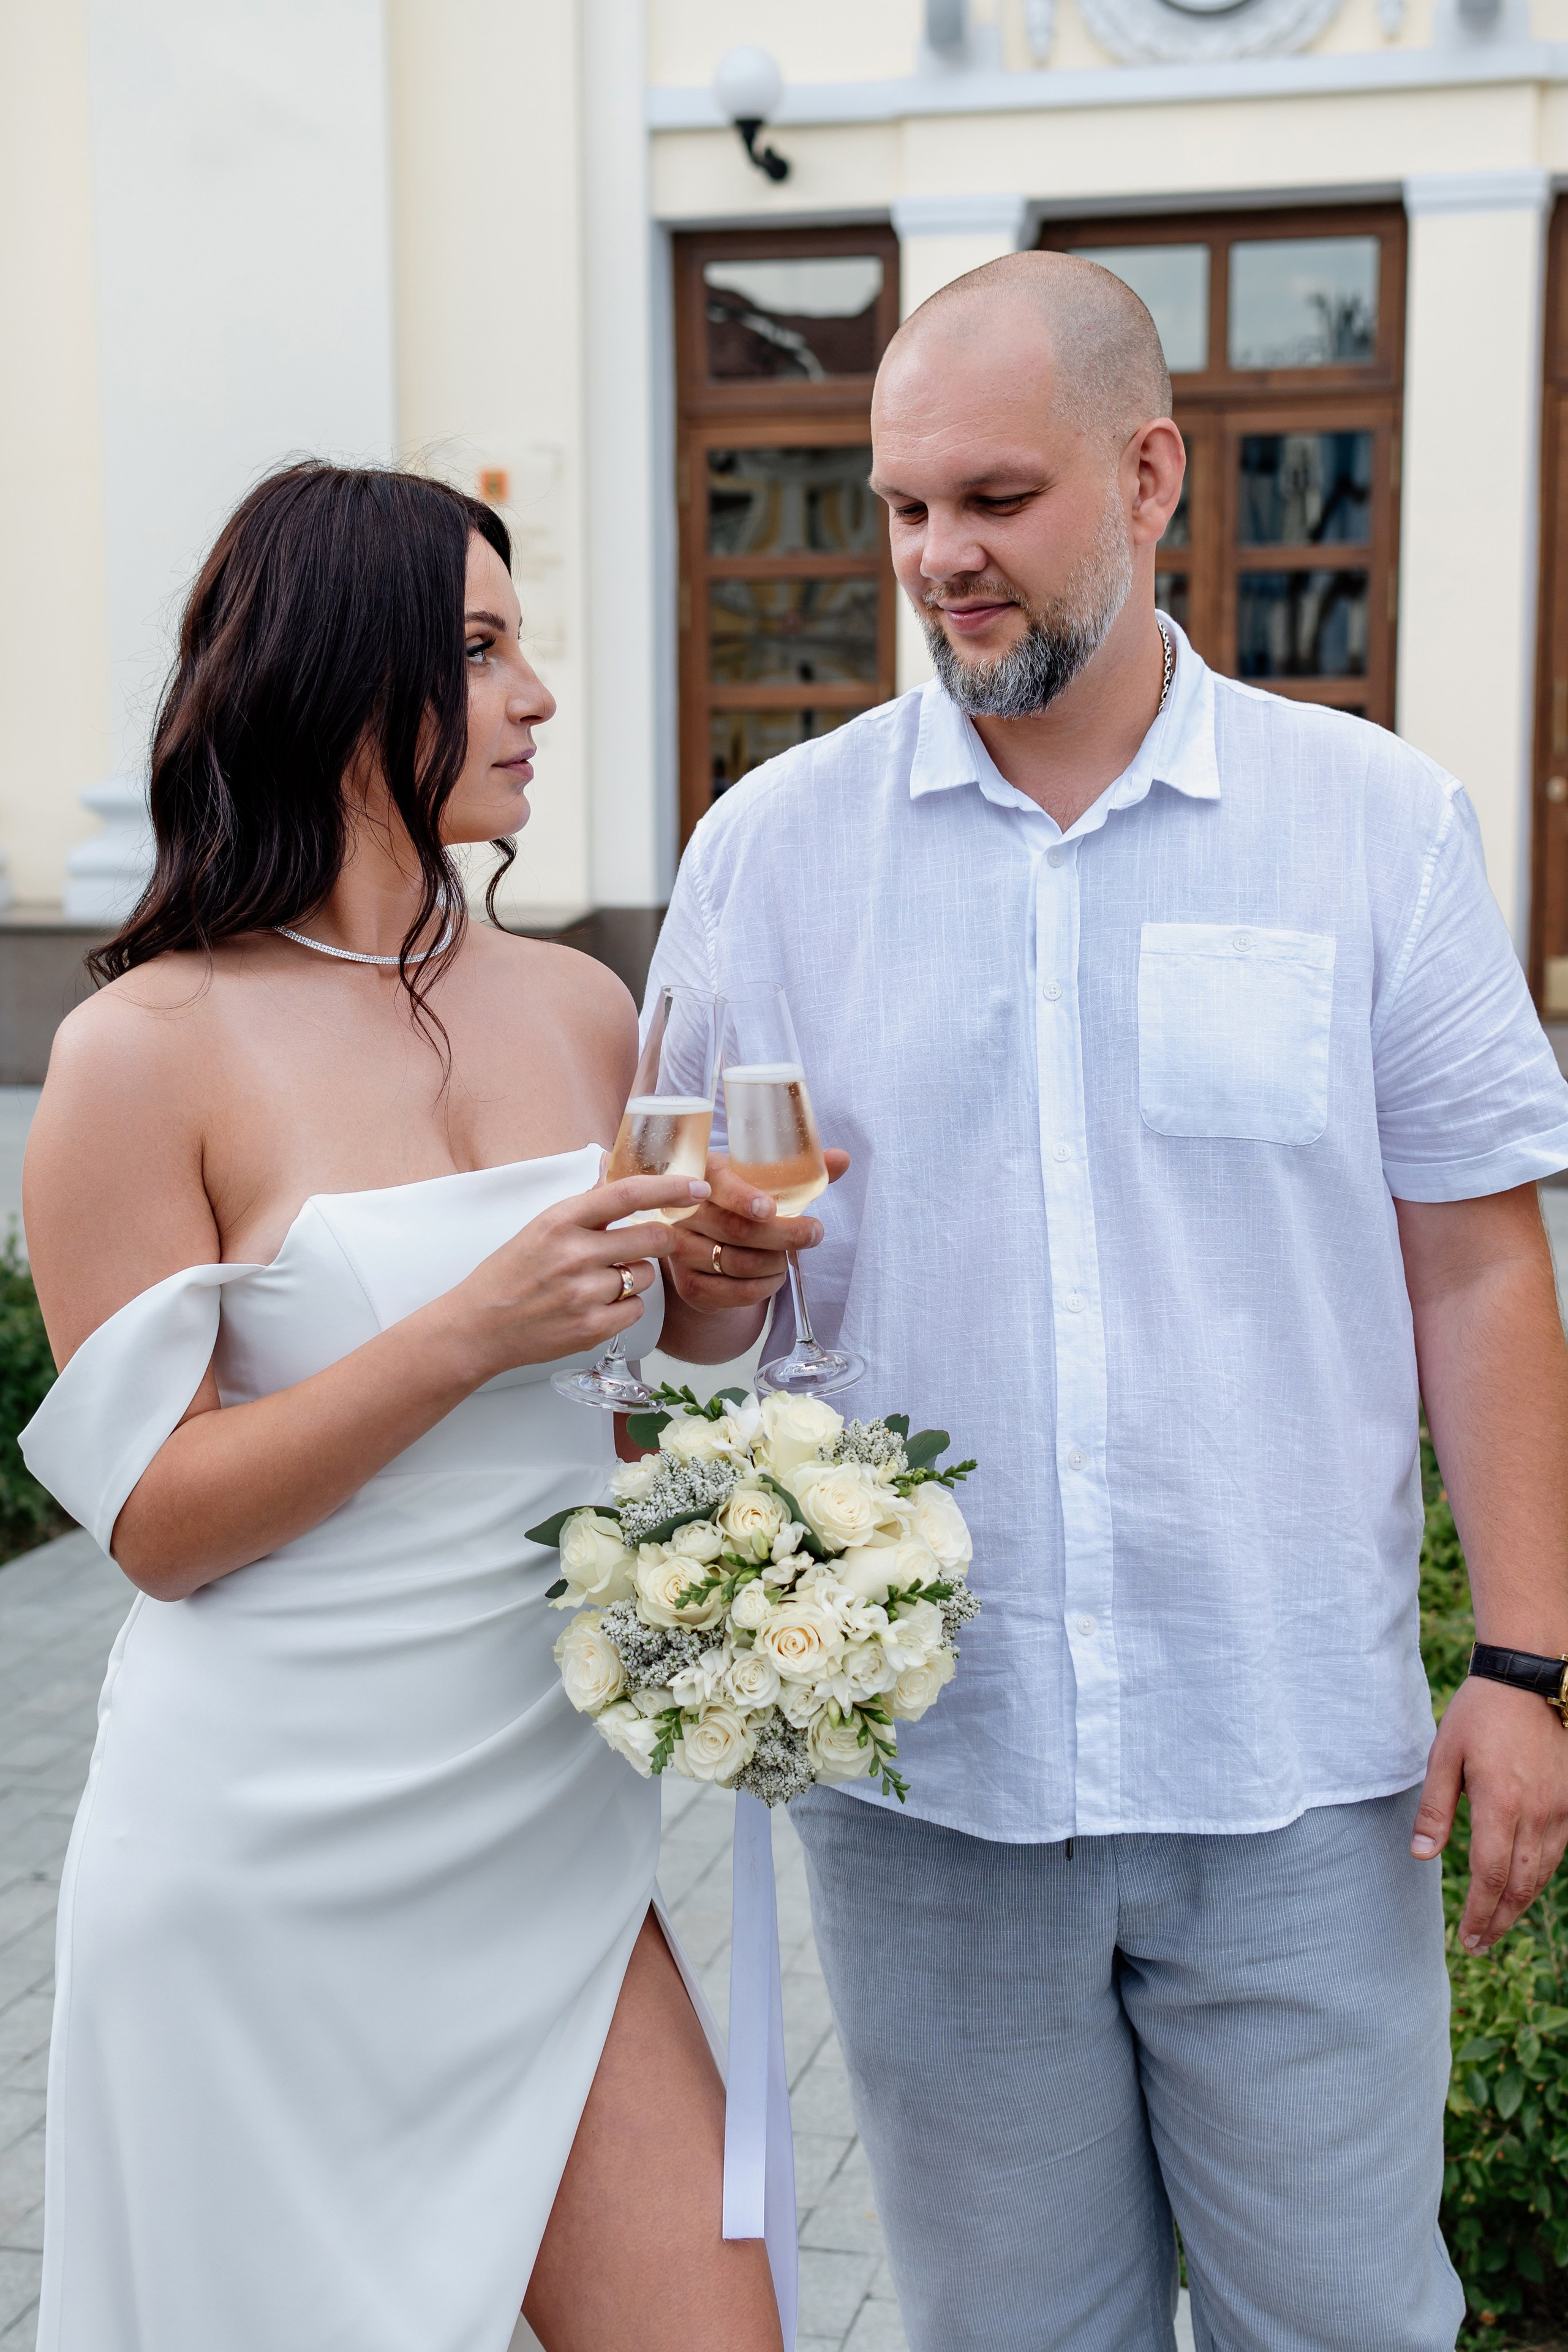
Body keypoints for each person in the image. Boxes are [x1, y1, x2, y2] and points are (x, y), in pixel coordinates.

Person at [644, 252, 1568, 2351]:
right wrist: (704, 1284)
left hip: (1294, 1779)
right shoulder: (771, 855)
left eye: (993, 499)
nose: (938, 561)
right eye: (901, 511)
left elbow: (1479, 1256)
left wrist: (1526, 1660)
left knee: (1344, 2326)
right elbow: (703, 1319)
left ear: (1151, 474)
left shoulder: (1374, 830)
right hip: (931, 1786)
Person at [18, 463, 786, 2352]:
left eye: (523, 647)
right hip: (260, 1860)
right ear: (333, 681)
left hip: (543, 1828)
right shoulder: (140, 1053)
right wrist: (464, 1331)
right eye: (480, 650)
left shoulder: (588, 1008)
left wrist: (711, 1310)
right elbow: (160, 1528)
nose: (534, 696)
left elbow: (629, 1408)